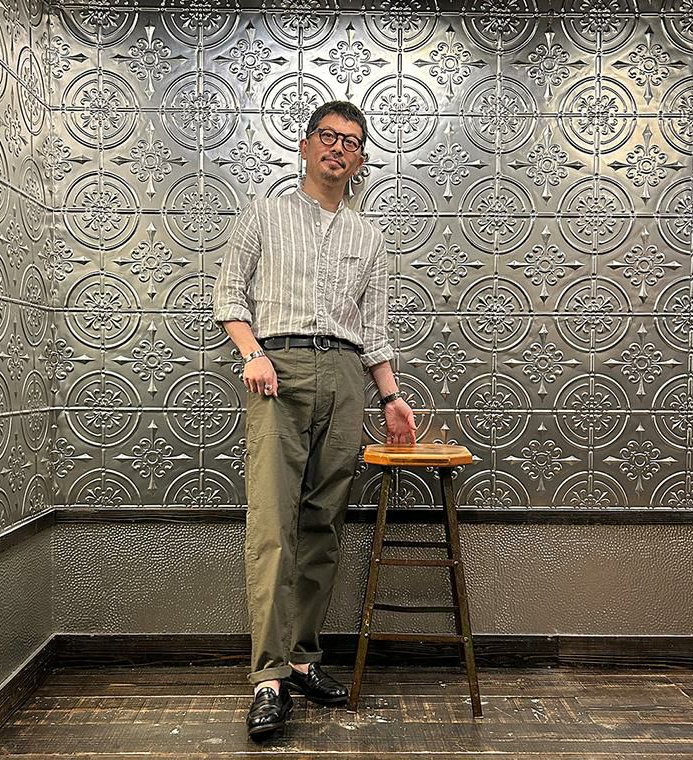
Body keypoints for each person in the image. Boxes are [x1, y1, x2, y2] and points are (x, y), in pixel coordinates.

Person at [212, 100, 416, 740]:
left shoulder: (368, 236)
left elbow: (375, 329)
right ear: (305, 146)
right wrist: (253, 354)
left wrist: (390, 396)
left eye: (351, 142)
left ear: (360, 159)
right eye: (328, 136)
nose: (338, 149)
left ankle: (302, 658)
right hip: (278, 371)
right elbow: (229, 296)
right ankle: (268, 677)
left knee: (323, 522)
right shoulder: (264, 213)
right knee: (274, 523)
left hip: (346, 376)